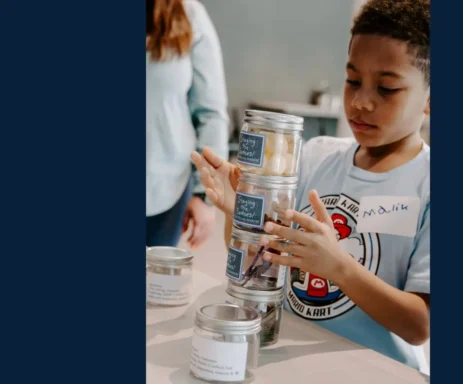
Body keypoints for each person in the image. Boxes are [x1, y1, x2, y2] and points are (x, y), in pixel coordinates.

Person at [191, 0, 430, 374]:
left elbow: (419, 326)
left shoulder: (428, 184)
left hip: (376, 371)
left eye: (386, 89)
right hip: (290, 362)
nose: (361, 101)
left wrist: (340, 268)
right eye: (352, 81)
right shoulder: (316, 156)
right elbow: (260, 265)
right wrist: (239, 211)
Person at [146, 0, 229, 248]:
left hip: (165, 188)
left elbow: (211, 113)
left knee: (152, 285)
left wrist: (205, 194)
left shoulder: (189, 14)